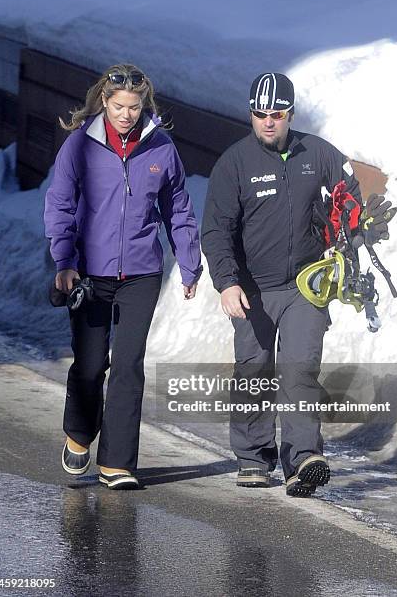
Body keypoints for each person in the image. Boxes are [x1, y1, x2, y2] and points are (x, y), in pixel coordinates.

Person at [201, 72, 363, 497]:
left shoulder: (317, 153)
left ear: (290, 114)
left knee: (300, 370)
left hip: (305, 287)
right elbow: (215, 230)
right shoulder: (234, 163)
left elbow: (349, 190)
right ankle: (254, 458)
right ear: (251, 114)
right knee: (254, 372)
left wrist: (344, 229)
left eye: (276, 114)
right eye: (260, 114)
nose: (268, 122)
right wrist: (227, 282)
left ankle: (303, 458)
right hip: (252, 289)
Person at [44, 63, 202, 490]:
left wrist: (189, 263)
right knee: (92, 364)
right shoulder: (80, 145)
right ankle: (78, 433)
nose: (126, 115)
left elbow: (179, 209)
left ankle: (117, 463)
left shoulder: (161, 148)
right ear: (104, 102)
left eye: (134, 107)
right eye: (118, 107)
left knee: (129, 365)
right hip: (89, 272)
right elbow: (59, 203)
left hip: (141, 271)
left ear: (143, 105)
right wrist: (64, 261)